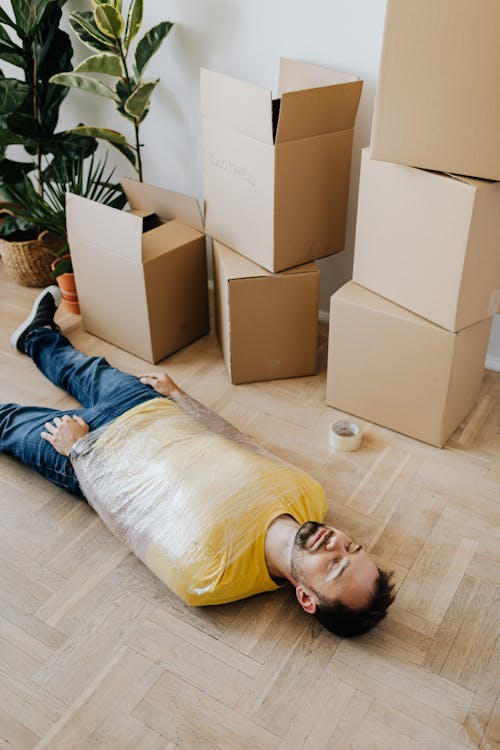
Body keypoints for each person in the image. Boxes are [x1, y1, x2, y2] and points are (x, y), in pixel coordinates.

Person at [2, 287, 395, 637]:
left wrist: (80, 451)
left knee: (7, 423)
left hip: (95, 452)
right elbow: (236, 441)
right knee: (80, 367)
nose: (336, 544)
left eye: (335, 566)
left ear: (307, 598)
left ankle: (37, 352)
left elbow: (126, 520)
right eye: (353, 547)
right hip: (149, 407)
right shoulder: (309, 494)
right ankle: (36, 337)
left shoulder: (211, 580)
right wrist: (179, 395)